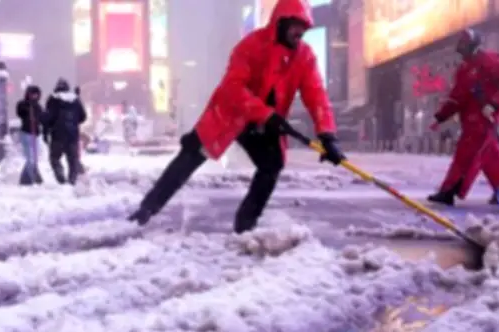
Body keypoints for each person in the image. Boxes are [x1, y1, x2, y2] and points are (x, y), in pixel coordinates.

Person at [127, 0, 344, 232]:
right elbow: (233, 88)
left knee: (272, 165)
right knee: (189, 158)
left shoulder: (304, 56)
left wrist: (327, 135)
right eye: (295, 25)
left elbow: (316, 95)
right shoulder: (251, 46)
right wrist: (266, 114)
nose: (300, 32)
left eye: (304, 27)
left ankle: (245, 226)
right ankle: (147, 209)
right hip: (229, 115)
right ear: (281, 22)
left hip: (263, 125)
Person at [427, 29, 499, 206]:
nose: (461, 50)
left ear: (473, 45)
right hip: (470, 121)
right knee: (490, 157)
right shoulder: (464, 70)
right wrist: (441, 117)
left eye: (464, 45)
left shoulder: (492, 61)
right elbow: (457, 97)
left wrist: (493, 104)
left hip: (484, 119)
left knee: (466, 155)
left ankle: (449, 191)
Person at [43, 78, 87, 185]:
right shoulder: (75, 99)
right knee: (73, 160)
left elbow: (48, 117)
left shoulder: (53, 99)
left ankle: (60, 177)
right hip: (72, 136)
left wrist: (46, 132)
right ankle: (72, 180)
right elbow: (83, 116)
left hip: (57, 136)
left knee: (54, 158)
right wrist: (74, 122)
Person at [15, 85, 43, 185]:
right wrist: (28, 107)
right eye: (32, 94)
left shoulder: (38, 107)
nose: (34, 96)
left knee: (34, 159)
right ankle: (32, 179)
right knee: (30, 159)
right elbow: (20, 113)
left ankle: (25, 180)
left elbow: (42, 118)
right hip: (26, 134)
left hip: (35, 134)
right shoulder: (22, 104)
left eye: (36, 94)